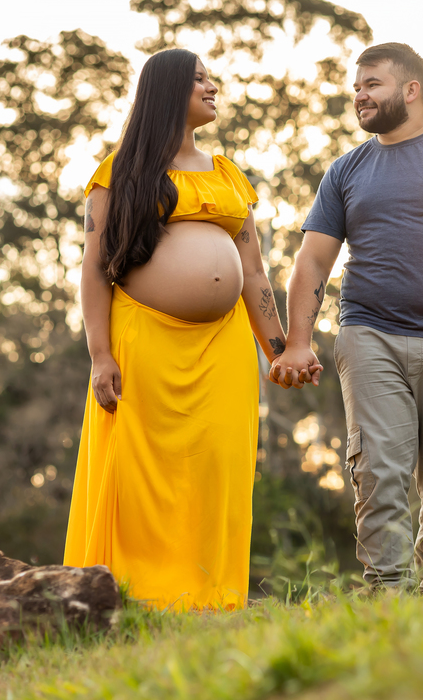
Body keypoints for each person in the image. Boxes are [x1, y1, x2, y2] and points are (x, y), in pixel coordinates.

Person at [272, 42, 423, 592]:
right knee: (378, 469)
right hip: (369, 334)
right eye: (356, 86)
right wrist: (297, 341)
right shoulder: (345, 171)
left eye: (371, 85)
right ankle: (388, 590)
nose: (359, 95)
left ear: (411, 91)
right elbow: (313, 258)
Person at [63, 48, 288, 611]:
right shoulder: (120, 174)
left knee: (219, 472)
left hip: (224, 348)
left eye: (212, 79)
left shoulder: (228, 174)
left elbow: (254, 272)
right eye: (199, 80)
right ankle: (138, 597)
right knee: (140, 479)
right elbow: (94, 267)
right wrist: (99, 354)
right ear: (167, 93)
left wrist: (281, 350)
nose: (213, 87)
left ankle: (213, 596)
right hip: (146, 343)